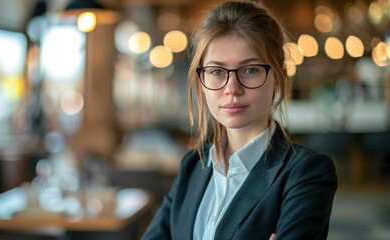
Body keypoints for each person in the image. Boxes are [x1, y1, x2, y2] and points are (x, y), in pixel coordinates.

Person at [141, 0, 338, 239]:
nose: (232, 88)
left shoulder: (306, 174)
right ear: (201, 81)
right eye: (216, 71)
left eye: (250, 70)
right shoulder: (193, 165)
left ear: (277, 77)